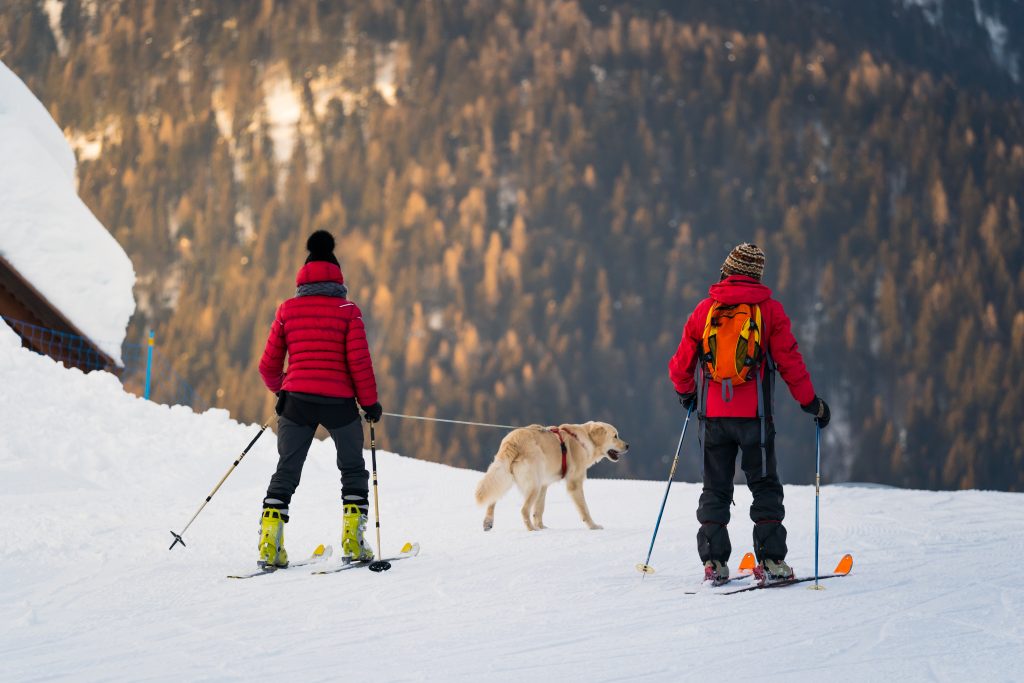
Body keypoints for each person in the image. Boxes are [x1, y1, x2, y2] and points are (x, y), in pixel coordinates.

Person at [668, 243, 830, 583]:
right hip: (754, 420)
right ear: (756, 276)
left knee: (715, 488)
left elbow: (681, 364)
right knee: (765, 486)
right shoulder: (769, 311)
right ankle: (772, 562)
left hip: (712, 418)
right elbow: (790, 362)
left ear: (727, 271)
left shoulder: (705, 310)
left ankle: (714, 562)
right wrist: (811, 403)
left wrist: (687, 393)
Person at [256, 230, 383, 568]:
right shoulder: (348, 311)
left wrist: (283, 388)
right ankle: (353, 541)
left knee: (286, 470)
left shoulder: (287, 310)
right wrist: (370, 404)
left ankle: (270, 542)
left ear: (303, 275)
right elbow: (360, 364)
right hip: (340, 404)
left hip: (296, 400)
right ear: (337, 276)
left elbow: (267, 365)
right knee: (353, 469)